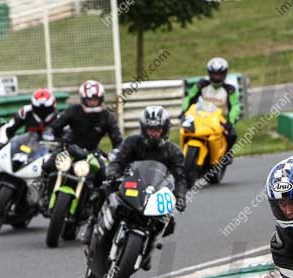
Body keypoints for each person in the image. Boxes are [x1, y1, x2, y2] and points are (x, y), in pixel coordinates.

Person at [81, 105, 187, 249]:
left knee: (169, 219)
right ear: (144, 129)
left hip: (156, 190)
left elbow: (180, 177)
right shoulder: (132, 142)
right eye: (150, 130)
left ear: (165, 129)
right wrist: (113, 174)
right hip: (131, 183)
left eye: (158, 130)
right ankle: (92, 222)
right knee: (102, 190)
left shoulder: (173, 151)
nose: (154, 134)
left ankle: (150, 244)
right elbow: (118, 161)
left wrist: (181, 196)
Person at [42, 80, 123, 208]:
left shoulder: (106, 116)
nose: (93, 102)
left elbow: (117, 139)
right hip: (68, 147)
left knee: (103, 176)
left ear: (101, 99)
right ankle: (43, 193)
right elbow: (56, 126)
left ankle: (95, 205)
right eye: (90, 100)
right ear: (83, 99)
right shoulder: (74, 110)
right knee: (48, 165)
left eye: (95, 99)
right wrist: (54, 136)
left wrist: (118, 152)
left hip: (92, 152)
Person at [181, 57, 240, 165]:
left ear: (224, 74)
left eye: (219, 74)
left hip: (220, 119)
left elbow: (235, 106)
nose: (217, 76)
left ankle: (227, 154)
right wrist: (184, 111)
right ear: (209, 73)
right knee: (186, 129)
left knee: (232, 134)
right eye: (214, 74)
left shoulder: (229, 89)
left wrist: (231, 121)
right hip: (201, 116)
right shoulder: (201, 84)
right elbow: (190, 98)